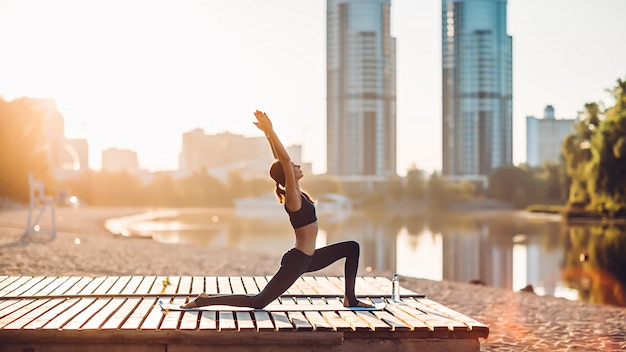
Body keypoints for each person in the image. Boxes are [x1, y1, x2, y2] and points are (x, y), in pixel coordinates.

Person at [182, 110, 373, 309]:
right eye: (293, 166)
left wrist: (267, 134)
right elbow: (283, 160)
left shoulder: (299, 193)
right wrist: (271, 132)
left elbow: (281, 161)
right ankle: (206, 300)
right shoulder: (292, 198)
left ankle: (350, 298)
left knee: (352, 247)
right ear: (287, 174)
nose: (297, 165)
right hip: (298, 261)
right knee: (258, 302)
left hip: (311, 258)